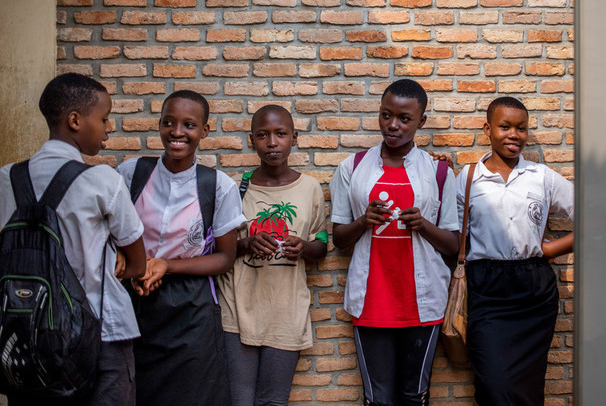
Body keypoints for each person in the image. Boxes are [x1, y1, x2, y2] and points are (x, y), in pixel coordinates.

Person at [0, 73, 147, 406]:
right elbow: (138, 264)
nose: (109, 128)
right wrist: (115, 259)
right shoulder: (102, 180)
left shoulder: (7, 178)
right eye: (105, 118)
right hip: (100, 333)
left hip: (26, 334)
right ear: (75, 120)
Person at [330, 79, 459, 406]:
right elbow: (340, 239)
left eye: (404, 118)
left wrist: (423, 225)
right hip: (372, 299)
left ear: (421, 121)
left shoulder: (439, 171)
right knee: (378, 399)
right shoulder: (353, 167)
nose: (393, 125)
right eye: (386, 115)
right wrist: (364, 220)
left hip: (422, 300)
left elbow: (453, 244)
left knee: (414, 397)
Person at [116, 90, 247, 406]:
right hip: (133, 299)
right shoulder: (130, 173)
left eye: (189, 125)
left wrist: (166, 265)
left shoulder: (218, 186)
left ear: (204, 131)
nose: (176, 132)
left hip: (191, 311)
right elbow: (110, 235)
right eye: (168, 123)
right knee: (132, 389)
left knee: (191, 394)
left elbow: (225, 257)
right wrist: (130, 261)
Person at [456, 96, 574, 406]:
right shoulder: (468, 179)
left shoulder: (541, 177)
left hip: (534, 292)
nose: (514, 135)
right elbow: (453, 236)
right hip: (487, 289)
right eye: (505, 126)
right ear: (488, 129)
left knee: (528, 389)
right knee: (493, 387)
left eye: (521, 128)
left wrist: (549, 249)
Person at [217, 104, 328, 406]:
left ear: (295, 137)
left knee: (273, 402)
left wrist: (303, 248)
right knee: (239, 401)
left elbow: (321, 244)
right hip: (237, 310)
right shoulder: (234, 188)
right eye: (263, 135)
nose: (272, 142)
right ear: (251, 140)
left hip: (285, 313)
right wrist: (247, 244)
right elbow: (219, 249)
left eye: (280, 134)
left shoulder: (310, 189)